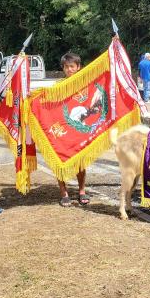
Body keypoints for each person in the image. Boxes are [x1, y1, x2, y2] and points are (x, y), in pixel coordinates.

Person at [57, 52, 90, 207]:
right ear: (63, 68)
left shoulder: (85, 85)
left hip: (79, 130)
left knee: (81, 162)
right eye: (66, 67)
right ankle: (63, 192)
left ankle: (82, 191)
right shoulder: (58, 87)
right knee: (60, 160)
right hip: (63, 130)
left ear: (78, 67)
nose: (69, 69)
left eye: (72, 66)